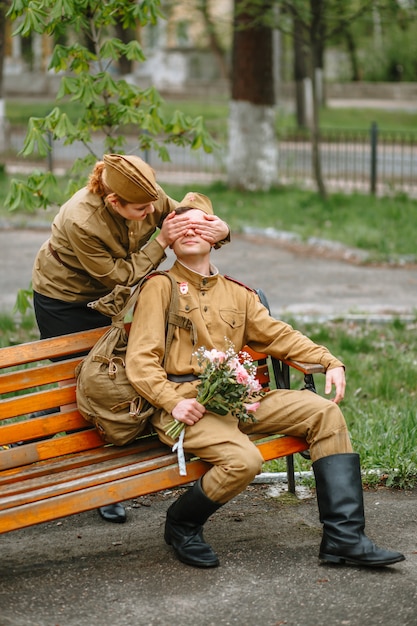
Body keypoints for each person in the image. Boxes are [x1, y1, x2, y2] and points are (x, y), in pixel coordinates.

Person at [125, 191, 405, 569]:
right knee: (244, 460)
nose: (190, 230)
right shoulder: (160, 287)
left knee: (324, 414)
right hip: (185, 408)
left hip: (239, 399)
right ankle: (182, 524)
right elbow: (141, 361)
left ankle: (344, 539)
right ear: (170, 237)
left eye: (200, 223)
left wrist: (328, 360)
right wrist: (172, 401)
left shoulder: (239, 294)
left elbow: (278, 336)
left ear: (216, 236)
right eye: (181, 225)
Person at [30, 156, 230, 524]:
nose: (153, 211)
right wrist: (163, 242)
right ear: (113, 203)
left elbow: (186, 210)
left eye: (153, 202)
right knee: (83, 384)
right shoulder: (81, 220)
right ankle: (83, 476)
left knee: (113, 379)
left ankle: (98, 465)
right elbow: (119, 277)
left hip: (113, 299)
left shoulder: (143, 195)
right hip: (67, 299)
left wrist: (219, 227)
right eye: (142, 209)